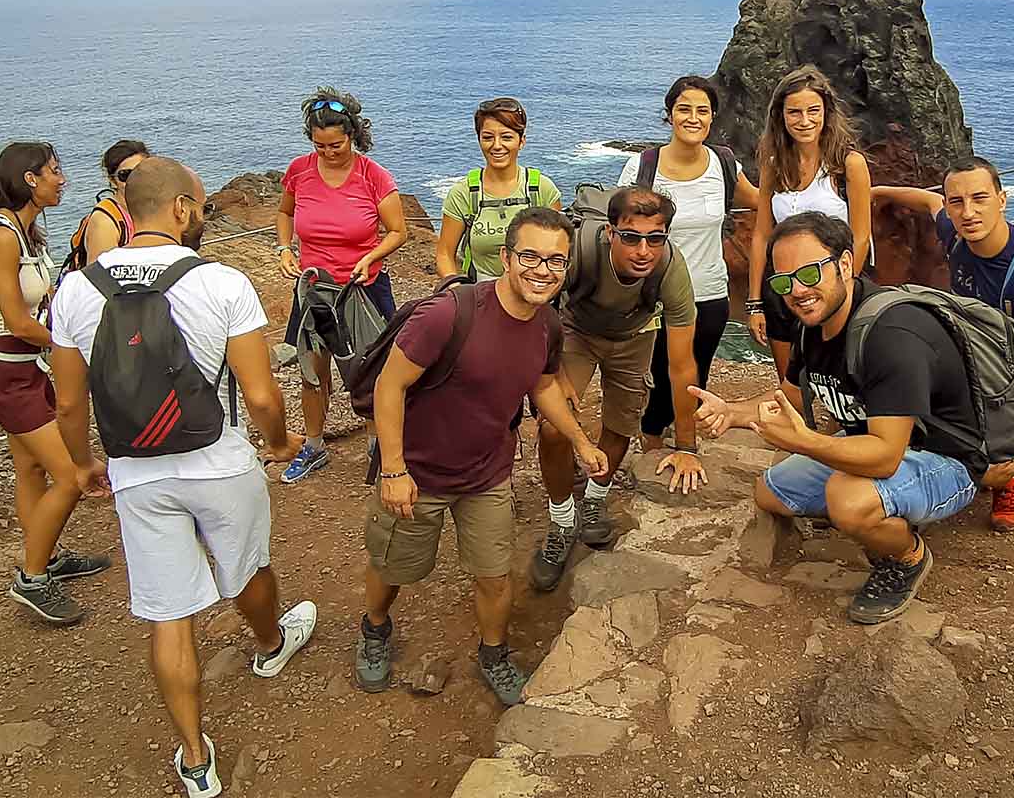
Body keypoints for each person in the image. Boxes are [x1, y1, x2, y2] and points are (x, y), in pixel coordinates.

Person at [49, 157, 316, 798]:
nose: (202, 214)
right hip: (220, 461)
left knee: (168, 615)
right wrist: (281, 444)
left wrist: (83, 462)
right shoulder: (222, 282)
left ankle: (195, 758)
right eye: (198, 205)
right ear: (178, 210)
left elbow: (65, 402)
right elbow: (259, 393)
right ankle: (270, 643)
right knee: (248, 568)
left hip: (136, 472)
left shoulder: (76, 290)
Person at [361, 207, 605, 705]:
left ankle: (493, 654)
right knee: (393, 568)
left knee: (494, 575)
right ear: (506, 257)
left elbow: (541, 386)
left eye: (556, 261)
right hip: (418, 472)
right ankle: (375, 627)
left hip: (487, 475)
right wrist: (393, 468)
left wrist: (580, 441)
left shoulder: (547, 326)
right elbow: (391, 384)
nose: (543, 270)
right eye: (531, 256)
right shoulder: (448, 314)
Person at [693, 211, 980, 624]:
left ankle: (906, 557)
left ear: (845, 264)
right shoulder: (816, 323)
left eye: (809, 273)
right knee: (772, 493)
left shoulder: (891, 334)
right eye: (783, 281)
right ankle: (875, 510)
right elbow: (790, 396)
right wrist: (731, 412)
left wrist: (804, 442)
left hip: (946, 461)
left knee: (847, 501)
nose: (796, 290)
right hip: (873, 445)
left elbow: (884, 458)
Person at [871, 156, 1014, 530]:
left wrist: (965, 421)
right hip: (971, 363)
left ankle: (1008, 476)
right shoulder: (957, 237)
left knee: (981, 447)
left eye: (980, 199)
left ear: (1003, 200)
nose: (968, 212)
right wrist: (878, 192)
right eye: (957, 202)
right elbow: (928, 203)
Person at [0, 141, 110, 626]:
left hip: (23, 366)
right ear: (29, 178)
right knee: (71, 475)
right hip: (4, 369)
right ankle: (30, 579)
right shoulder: (2, 237)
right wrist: (70, 347)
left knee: (30, 469)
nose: (62, 179)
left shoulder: (26, 233)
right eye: (54, 171)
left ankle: (45, 556)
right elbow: (17, 321)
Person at [531, 186, 704, 592]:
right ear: (611, 232)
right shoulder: (579, 251)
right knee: (553, 426)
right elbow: (538, 310)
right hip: (574, 333)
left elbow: (681, 365)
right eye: (631, 237)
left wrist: (687, 446)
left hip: (634, 337)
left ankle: (594, 498)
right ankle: (562, 518)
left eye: (655, 239)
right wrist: (551, 372)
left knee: (622, 422)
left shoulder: (671, 272)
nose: (643, 250)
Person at [617, 75, 758, 451]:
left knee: (697, 374)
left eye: (702, 110)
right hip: (656, 295)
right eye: (684, 109)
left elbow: (763, 201)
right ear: (669, 115)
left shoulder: (724, 165)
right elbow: (618, 230)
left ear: (712, 117)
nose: (693, 118)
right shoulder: (643, 168)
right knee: (660, 376)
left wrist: (820, 191)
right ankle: (651, 441)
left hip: (710, 291)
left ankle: (684, 442)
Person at [276, 87, 407, 482]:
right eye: (320, 146)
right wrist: (284, 248)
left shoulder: (373, 175)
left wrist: (371, 256)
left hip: (363, 287)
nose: (329, 152)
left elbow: (398, 231)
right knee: (312, 371)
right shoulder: (299, 170)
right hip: (315, 288)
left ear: (353, 135)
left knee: (372, 369)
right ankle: (314, 446)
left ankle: (377, 444)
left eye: (336, 144)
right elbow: (285, 212)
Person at [747, 65, 872, 382]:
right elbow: (763, 235)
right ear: (781, 116)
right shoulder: (774, 166)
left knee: (839, 378)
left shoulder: (848, 164)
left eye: (813, 111)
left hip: (830, 288)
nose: (804, 121)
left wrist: (844, 290)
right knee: (790, 380)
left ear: (826, 112)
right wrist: (755, 303)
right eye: (795, 112)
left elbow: (861, 236)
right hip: (783, 286)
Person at [436, 96, 562, 279]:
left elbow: (558, 251)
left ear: (521, 141)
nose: (497, 146)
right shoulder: (463, 193)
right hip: (480, 294)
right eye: (488, 137)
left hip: (534, 293)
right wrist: (458, 291)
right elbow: (444, 254)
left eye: (506, 137)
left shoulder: (542, 189)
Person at [64, 139, 151, 271]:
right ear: (112, 180)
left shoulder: (154, 210)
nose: (135, 180)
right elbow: (99, 280)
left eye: (141, 172)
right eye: (125, 175)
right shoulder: (105, 221)